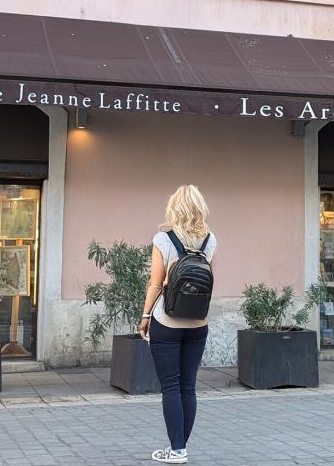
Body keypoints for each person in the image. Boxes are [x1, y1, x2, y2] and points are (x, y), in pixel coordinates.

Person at [139, 185, 217, 464]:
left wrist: (145, 316)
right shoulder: (210, 240)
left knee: (170, 386)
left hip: (167, 321)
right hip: (198, 322)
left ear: (175, 207)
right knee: (188, 386)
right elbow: (209, 281)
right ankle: (180, 447)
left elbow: (156, 283)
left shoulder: (163, 239)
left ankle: (177, 450)